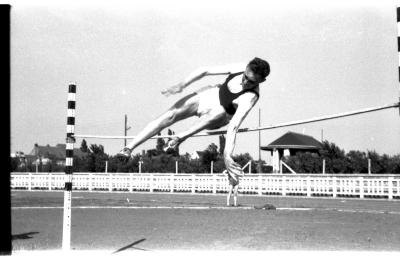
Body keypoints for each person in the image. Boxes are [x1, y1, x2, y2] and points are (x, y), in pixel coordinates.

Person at [117, 57, 270, 180]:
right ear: (245, 69)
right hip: (210, 95)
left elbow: (234, 126)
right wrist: (182, 85)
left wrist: (227, 155)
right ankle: (128, 148)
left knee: (218, 111)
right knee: (170, 115)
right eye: (245, 77)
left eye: (251, 82)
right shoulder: (239, 68)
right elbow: (205, 70)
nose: (245, 82)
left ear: (261, 81)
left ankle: (181, 137)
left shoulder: (251, 97)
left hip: (219, 117)